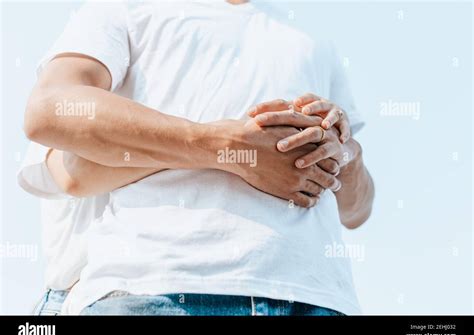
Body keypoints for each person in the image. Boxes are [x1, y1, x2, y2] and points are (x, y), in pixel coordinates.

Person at [24, 0, 374, 315]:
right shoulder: (122, 10)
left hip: (319, 298)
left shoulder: (315, 43)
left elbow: (356, 210)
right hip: (159, 289)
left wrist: (341, 151)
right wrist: (231, 148)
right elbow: (49, 112)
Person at [18, 142, 110, 315]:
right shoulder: (58, 126)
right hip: (66, 298)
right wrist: (170, 157)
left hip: (115, 295)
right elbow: (71, 177)